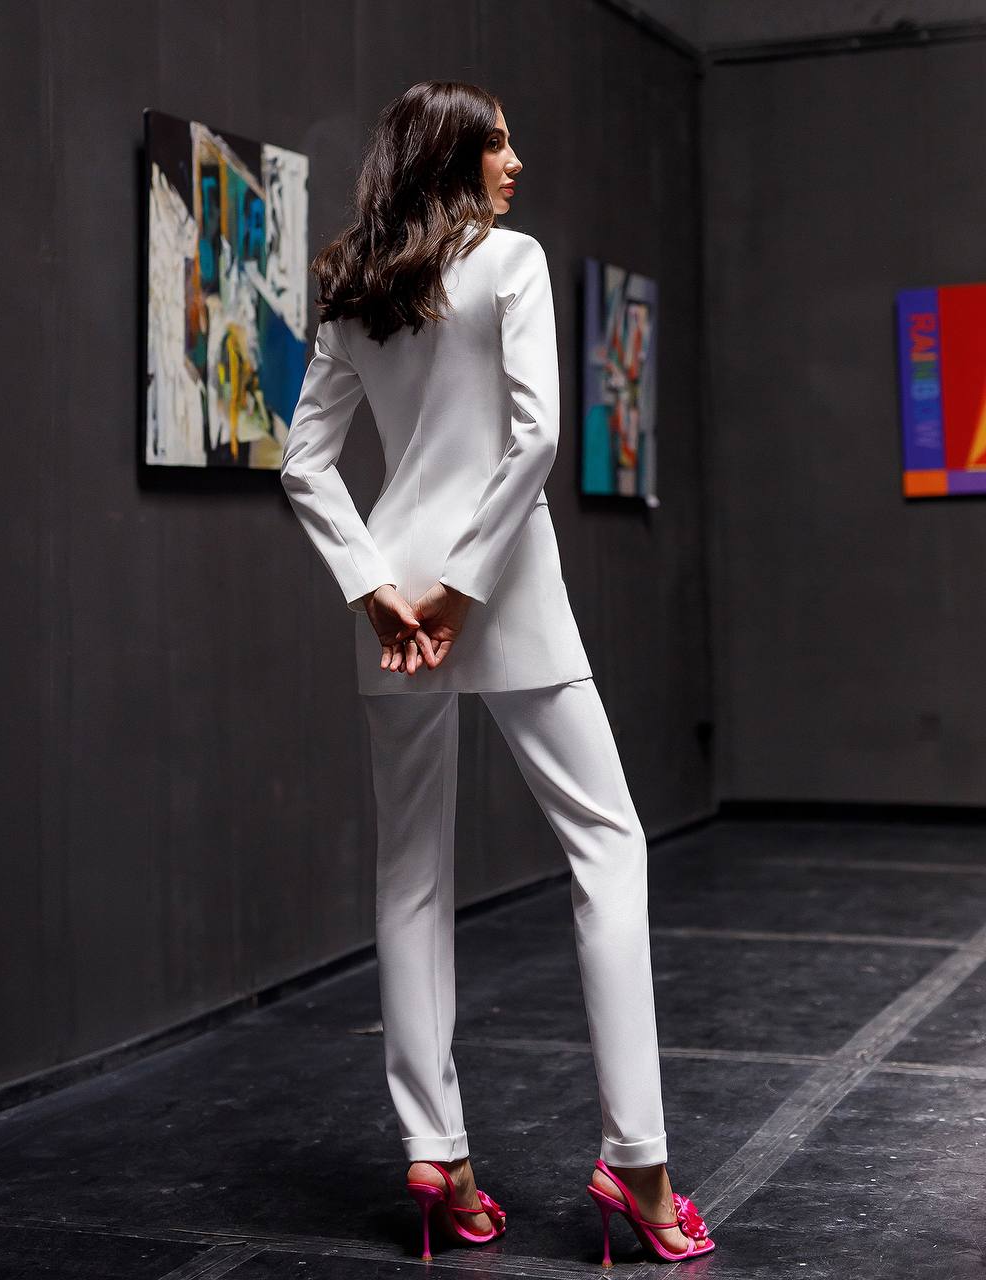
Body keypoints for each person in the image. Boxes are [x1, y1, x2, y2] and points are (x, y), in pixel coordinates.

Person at [280, 80, 714, 1264]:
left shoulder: (355, 289)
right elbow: (536, 437)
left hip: (393, 605)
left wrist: (377, 587)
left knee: (410, 875)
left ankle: (437, 1152)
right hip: (502, 588)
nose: (516, 162)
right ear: (450, 157)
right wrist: (466, 586)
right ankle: (639, 1162)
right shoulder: (509, 263)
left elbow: (304, 465)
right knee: (607, 845)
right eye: (498, 144)